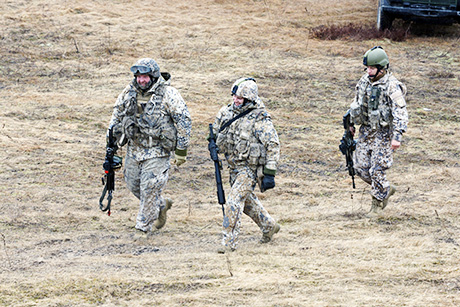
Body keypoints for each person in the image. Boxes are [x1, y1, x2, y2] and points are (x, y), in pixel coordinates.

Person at [107, 58, 191, 236]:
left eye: (145, 77)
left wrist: (181, 150)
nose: (141, 80)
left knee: (149, 187)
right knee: (133, 184)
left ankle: (142, 229)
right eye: (138, 77)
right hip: (134, 150)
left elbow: (184, 121)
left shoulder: (169, 94)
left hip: (158, 152)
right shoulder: (128, 93)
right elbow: (116, 116)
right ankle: (160, 205)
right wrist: (111, 145)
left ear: (153, 76)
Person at [210, 77, 281, 253]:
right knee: (247, 203)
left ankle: (228, 244)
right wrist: (212, 143)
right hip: (233, 167)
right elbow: (214, 132)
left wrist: (270, 172)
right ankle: (268, 226)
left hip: (249, 169)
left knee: (234, 201)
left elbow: (273, 144)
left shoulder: (260, 118)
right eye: (234, 96)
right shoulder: (225, 112)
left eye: (240, 98)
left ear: (249, 99)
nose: (235, 100)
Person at [347, 46, 408, 217]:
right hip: (366, 131)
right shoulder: (364, 81)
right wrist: (351, 124)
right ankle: (385, 188)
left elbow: (400, 112)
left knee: (377, 169)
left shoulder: (391, 86)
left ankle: (377, 206)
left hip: (384, 133)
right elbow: (356, 102)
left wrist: (397, 136)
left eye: (372, 68)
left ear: (382, 68)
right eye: (367, 68)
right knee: (359, 168)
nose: (369, 71)